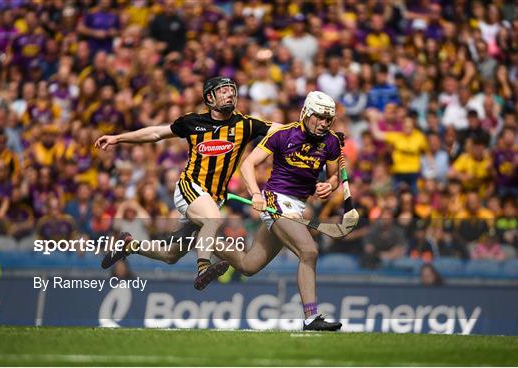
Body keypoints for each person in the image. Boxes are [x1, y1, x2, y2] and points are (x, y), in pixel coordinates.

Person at [96, 76, 278, 290]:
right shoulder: (192, 122)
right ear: (209, 98)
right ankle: (202, 268)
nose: (230, 94)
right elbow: (155, 133)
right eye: (223, 91)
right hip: (189, 188)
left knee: (170, 255)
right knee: (213, 220)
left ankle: (129, 245)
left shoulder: (246, 125)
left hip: (212, 199)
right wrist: (118, 138)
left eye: (232, 90)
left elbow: (286, 131)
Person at [219, 91, 346, 331]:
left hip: (298, 206)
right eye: (318, 117)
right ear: (306, 113)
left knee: (248, 265)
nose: (323, 123)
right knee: (309, 251)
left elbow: (333, 177)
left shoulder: (330, 142)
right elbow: (247, 164)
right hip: (275, 200)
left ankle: (205, 241)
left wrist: (329, 185)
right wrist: (256, 193)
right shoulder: (282, 134)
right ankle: (311, 318)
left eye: (328, 119)